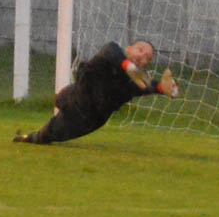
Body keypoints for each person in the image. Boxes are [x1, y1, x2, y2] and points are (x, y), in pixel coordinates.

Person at [13, 40, 178, 144]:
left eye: (147, 58)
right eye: (140, 49)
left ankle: (28, 137)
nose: (142, 56)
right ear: (128, 49)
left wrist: (164, 88)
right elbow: (110, 49)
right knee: (61, 98)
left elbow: (150, 86)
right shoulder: (112, 53)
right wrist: (128, 66)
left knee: (50, 135)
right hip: (77, 96)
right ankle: (37, 130)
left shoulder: (135, 83)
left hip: (89, 119)